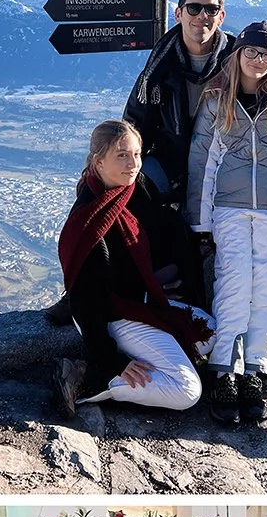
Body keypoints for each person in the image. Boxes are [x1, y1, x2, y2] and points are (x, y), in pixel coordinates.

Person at [186, 21, 267, 425]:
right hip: (228, 210)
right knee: (233, 287)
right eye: (252, 51)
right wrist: (201, 222)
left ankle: (255, 372)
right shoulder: (217, 100)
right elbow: (203, 162)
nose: (258, 60)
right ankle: (224, 370)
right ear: (238, 53)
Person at [53, 118, 208, 417]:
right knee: (187, 391)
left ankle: (146, 365)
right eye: (122, 155)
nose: (133, 163)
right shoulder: (90, 223)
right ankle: (87, 380)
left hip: (137, 302)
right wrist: (113, 361)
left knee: (210, 332)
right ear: (99, 162)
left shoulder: (131, 190)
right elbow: (85, 303)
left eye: (137, 154)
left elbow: (161, 232)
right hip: (112, 316)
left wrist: (160, 282)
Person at [125, 0, 235, 227]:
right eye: (194, 8)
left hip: (225, 161)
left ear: (221, 16)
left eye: (211, 9)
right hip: (172, 158)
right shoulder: (159, 67)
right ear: (179, 14)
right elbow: (136, 122)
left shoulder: (238, 60)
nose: (202, 16)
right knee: (131, 192)